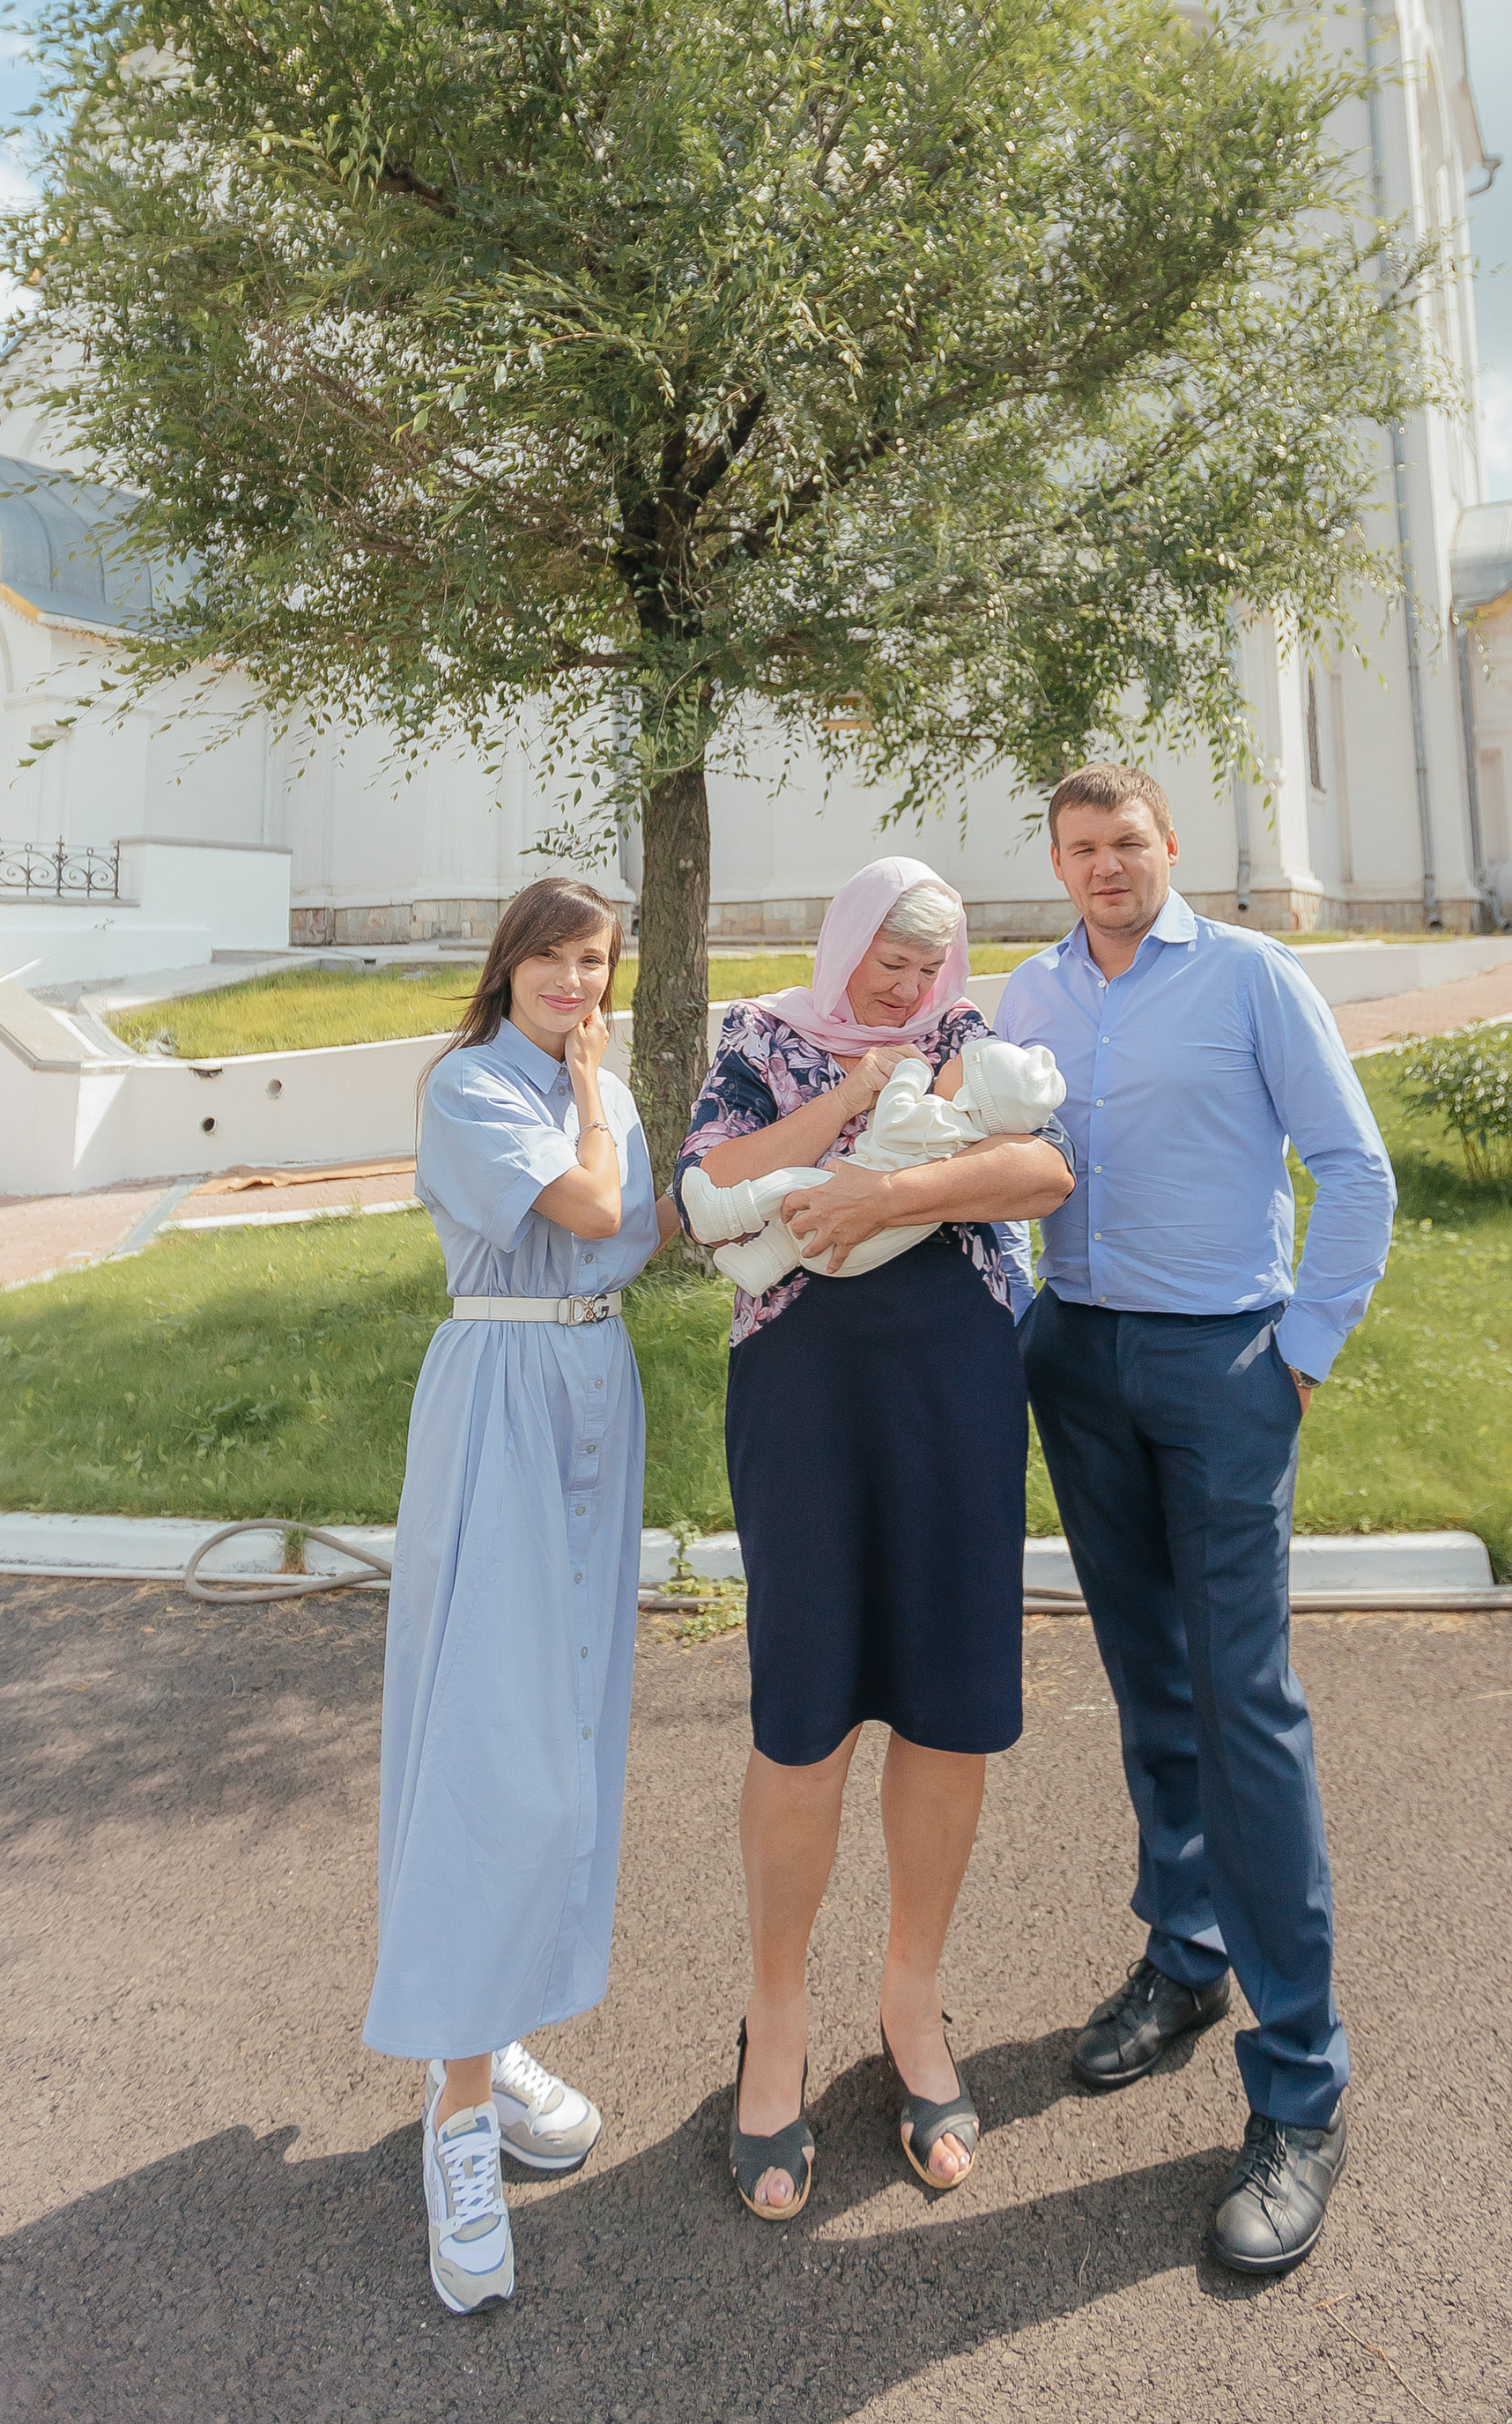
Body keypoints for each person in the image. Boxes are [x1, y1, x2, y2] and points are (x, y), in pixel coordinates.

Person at [997, 767, 1397, 2279]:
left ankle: (1302, 2090)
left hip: (1225, 1361)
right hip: (1077, 1357)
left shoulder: (1250, 977)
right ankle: (1186, 1956)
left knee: (1246, 1708)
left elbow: (1357, 1172)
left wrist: (1298, 1355)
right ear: (1057, 862)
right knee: (1150, 1686)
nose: (1107, 866)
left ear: (1172, 851)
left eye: (1129, 844)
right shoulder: (1023, 995)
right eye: (1081, 848)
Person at [676, 858, 1075, 2219]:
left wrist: (882, 1198)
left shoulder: (969, 1042)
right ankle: (775, 2020)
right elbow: (703, 1188)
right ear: (841, 942)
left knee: (949, 1713)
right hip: (804, 1401)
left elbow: (1042, 1171)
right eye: (886, 965)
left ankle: (914, 2003)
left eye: (928, 968)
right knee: (805, 1718)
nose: (907, 991)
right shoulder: (761, 1040)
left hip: (955, 1394)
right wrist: (851, 1101)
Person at [364, 874, 676, 2317]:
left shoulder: (575, 1079)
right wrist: (602, 1102)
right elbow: (603, 1202)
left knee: (568, 1742)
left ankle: (491, 2036)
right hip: (501, 1402)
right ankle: (459, 2112)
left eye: (596, 963)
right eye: (554, 959)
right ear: (511, 968)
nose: (575, 984)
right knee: (495, 1754)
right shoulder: (477, 1089)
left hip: (593, 1397)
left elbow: (645, 1242)